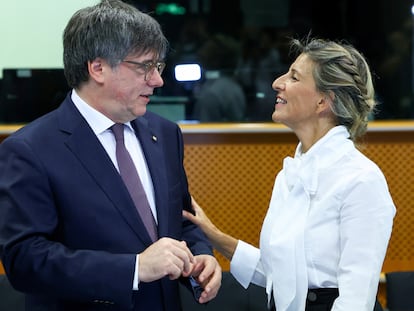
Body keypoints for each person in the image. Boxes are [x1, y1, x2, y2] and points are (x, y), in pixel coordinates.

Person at [0, 1, 221, 310]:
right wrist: (134, 268)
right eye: (145, 66)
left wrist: (201, 258)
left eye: (158, 67)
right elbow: (25, 261)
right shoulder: (30, 149)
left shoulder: (165, 134)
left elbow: (181, 219)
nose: (157, 80)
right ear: (98, 68)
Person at [183, 37, 396, 311]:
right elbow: (280, 276)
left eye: (294, 77)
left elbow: (356, 300)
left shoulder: (361, 178)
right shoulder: (291, 172)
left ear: (323, 101)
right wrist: (212, 234)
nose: (277, 82)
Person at [192, 33, 246, 122]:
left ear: (214, 59)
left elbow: (206, 131)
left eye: (206, 50)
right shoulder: (233, 87)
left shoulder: (212, 93)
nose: (200, 53)